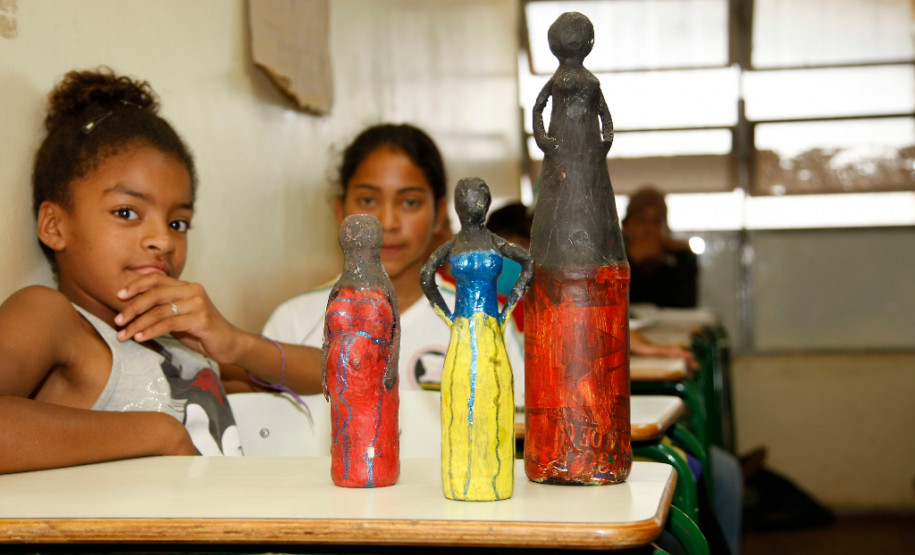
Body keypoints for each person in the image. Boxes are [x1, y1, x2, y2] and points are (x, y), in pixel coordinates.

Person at [0, 67, 323, 475]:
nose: (163, 240)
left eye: (177, 222)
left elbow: (339, 379)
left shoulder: (180, 345)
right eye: (126, 212)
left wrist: (234, 344)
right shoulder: (50, 317)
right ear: (54, 226)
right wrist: (157, 433)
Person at [263, 124, 527, 399]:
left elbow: (517, 424)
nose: (387, 223)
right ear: (340, 211)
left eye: (410, 203)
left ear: (439, 215)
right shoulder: (293, 322)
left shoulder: (481, 316)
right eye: (367, 200)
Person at [622, 185, 698, 308]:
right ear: (625, 227)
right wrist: (631, 259)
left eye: (657, 221)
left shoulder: (670, 273)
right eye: (641, 220)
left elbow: (687, 308)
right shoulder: (609, 266)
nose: (650, 229)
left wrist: (684, 252)